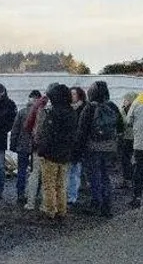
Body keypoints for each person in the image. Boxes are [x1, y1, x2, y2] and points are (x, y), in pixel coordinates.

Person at [76, 81, 120, 217]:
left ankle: (96, 203)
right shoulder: (112, 106)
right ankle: (107, 206)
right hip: (109, 147)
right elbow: (120, 126)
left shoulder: (89, 108)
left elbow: (82, 130)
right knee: (106, 176)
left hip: (93, 148)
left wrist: (78, 149)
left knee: (94, 176)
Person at [34, 83, 77, 219]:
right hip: (65, 153)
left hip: (51, 153)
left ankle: (50, 210)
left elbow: (48, 135)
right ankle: (62, 209)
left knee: (49, 184)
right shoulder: (72, 112)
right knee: (61, 184)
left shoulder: (54, 113)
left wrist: (41, 150)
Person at [10, 90, 41, 205]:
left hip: (22, 145)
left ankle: (20, 193)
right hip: (35, 147)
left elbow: (15, 130)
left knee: (22, 171)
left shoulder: (22, 112)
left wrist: (13, 145)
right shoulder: (41, 113)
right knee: (35, 172)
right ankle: (33, 194)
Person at [66, 86, 87, 204]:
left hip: (78, 145)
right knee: (72, 171)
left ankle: (72, 196)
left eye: (74, 94)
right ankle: (71, 194)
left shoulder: (84, 109)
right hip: (70, 144)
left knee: (75, 171)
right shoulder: (69, 109)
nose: (71, 96)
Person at [117, 92, 137, 190]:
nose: (124, 101)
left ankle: (134, 180)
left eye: (126, 100)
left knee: (133, 161)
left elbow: (129, 122)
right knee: (124, 160)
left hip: (135, 138)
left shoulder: (136, 111)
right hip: (125, 138)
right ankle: (126, 180)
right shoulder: (122, 110)